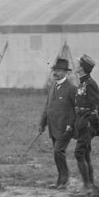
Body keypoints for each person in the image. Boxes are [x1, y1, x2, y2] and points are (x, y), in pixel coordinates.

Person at [38, 57, 77, 189]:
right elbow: (47, 106)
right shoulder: (53, 86)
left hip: (65, 128)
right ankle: (60, 180)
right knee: (57, 153)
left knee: (58, 151)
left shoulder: (71, 89)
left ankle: (65, 180)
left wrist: (70, 125)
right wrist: (42, 123)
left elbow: (75, 109)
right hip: (53, 127)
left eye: (59, 70)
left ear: (66, 73)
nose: (56, 73)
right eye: (55, 70)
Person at [73, 54, 99, 193]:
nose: (77, 66)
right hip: (81, 122)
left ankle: (87, 186)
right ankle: (90, 185)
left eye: (79, 64)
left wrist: (89, 122)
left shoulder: (90, 84)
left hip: (87, 124)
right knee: (85, 154)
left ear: (83, 68)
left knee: (79, 153)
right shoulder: (83, 82)